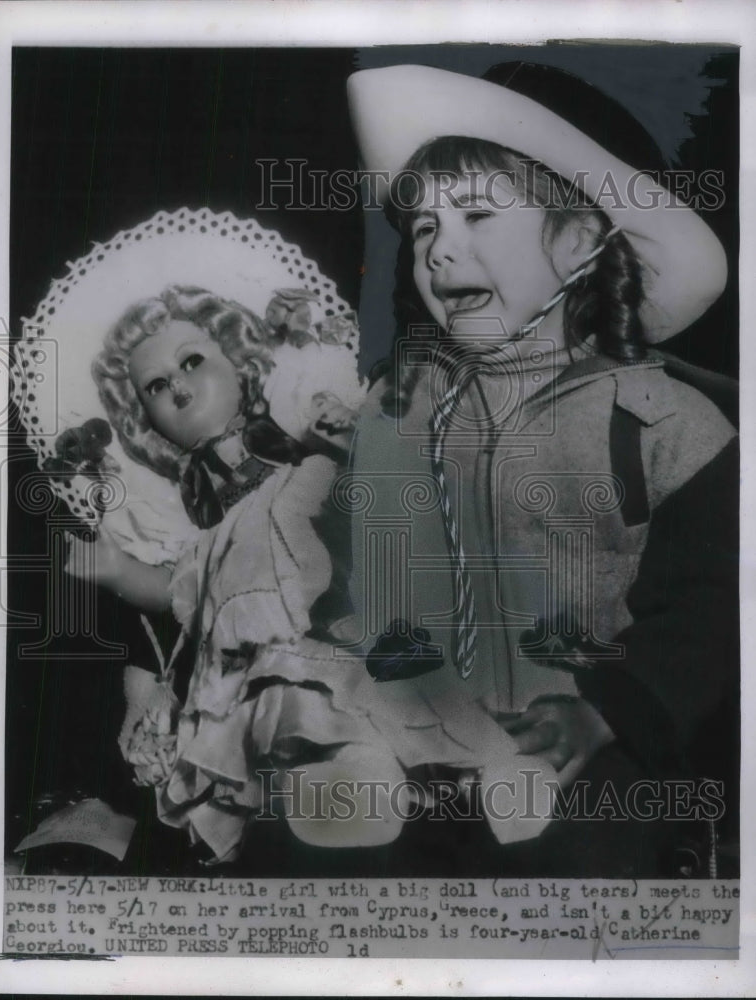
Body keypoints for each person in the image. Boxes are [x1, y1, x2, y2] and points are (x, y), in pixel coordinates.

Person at [344, 64, 738, 876]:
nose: (440, 245)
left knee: (578, 854)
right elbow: (350, 561)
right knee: (326, 850)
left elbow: (715, 608)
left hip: (584, 739)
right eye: (422, 229)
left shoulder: (656, 421)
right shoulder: (400, 409)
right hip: (415, 733)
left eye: (477, 213)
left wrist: (605, 716)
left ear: (579, 243)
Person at [65, 284, 401, 865]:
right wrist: (116, 570)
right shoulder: (185, 515)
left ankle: (383, 766)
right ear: (143, 418)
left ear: (240, 363)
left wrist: (344, 433)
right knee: (271, 703)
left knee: (350, 667)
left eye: (192, 361)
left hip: (317, 555)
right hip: (241, 601)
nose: (179, 386)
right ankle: (315, 788)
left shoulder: (288, 428)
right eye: (157, 387)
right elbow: (175, 595)